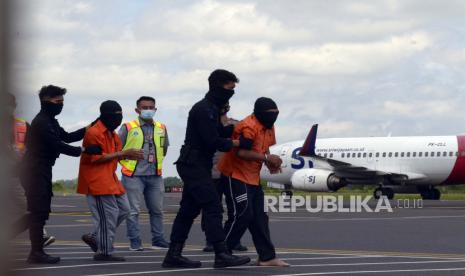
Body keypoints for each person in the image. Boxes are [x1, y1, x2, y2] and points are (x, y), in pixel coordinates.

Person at [162, 69, 252, 269]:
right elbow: (213, 141)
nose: (231, 93)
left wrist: (234, 130)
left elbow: (218, 132)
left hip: (197, 165)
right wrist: (237, 143)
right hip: (193, 164)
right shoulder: (204, 109)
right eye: (229, 88)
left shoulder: (211, 108)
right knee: (213, 206)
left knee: (188, 211)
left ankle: (173, 254)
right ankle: (221, 253)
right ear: (218, 86)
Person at [21, 85, 100, 264]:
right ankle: (36, 253)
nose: (61, 105)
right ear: (45, 102)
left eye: (62, 101)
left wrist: (92, 125)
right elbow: (58, 145)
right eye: (57, 101)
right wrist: (86, 150)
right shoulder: (41, 122)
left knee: (38, 212)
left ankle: (33, 250)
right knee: (38, 212)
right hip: (33, 171)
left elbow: (68, 137)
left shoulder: (51, 120)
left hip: (41, 170)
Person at [218, 97, 290, 267]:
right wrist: (266, 158)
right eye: (270, 114)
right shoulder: (248, 126)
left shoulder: (268, 126)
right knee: (243, 213)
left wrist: (269, 162)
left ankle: (267, 257)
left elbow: (264, 148)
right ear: (259, 113)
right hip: (234, 174)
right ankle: (223, 252)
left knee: (260, 217)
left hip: (252, 177)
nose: (274, 117)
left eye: (276, 113)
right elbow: (242, 152)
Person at [77, 100, 144, 261]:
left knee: (124, 210)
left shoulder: (112, 134)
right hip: (96, 181)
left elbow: (117, 154)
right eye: (115, 115)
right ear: (105, 115)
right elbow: (96, 158)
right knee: (109, 215)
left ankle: (94, 236)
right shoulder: (93, 133)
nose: (118, 119)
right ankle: (105, 252)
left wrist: (129, 154)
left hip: (110, 178)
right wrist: (122, 154)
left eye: (120, 115)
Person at [118, 96, 170, 251]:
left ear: (155, 109)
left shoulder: (162, 127)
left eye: (151, 107)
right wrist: (128, 155)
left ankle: (158, 240)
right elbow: (116, 150)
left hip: (155, 175)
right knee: (133, 211)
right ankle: (135, 242)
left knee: (157, 210)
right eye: (144, 107)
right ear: (137, 110)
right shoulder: (127, 127)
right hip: (133, 175)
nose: (148, 110)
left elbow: (164, 149)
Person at [6, 92, 55, 246]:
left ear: (13, 107)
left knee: (29, 207)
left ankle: (41, 235)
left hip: (16, 176)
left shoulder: (23, 125)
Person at [201, 102, 247, 253]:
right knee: (212, 209)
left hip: (232, 173)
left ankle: (233, 238)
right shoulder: (206, 125)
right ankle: (211, 240)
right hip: (212, 173)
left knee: (235, 208)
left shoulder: (237, 124)